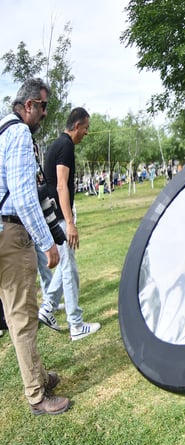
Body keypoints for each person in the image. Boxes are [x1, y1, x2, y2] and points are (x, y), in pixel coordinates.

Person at [0, 77, 70, 415]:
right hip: (10, 236)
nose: (45, 113)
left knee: (20, 312)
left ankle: (40, 375)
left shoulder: (3, 129)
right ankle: (37, 396)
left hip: (6, 232)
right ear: (29, 105)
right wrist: (47, 242)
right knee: (22, 318)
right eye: (42, 106)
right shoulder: (17, 134)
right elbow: (25, 197)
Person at [37, 107, 101, 341]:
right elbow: (62, 186)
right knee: (69, 269)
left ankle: (48, 306)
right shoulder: (65, 146)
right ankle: (76, 324)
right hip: (60, 218)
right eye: (85, 128)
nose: (86, 133)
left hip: (55, 216)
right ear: (77, 125)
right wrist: (70, 223)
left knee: (66, 265)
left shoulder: (57, 144)